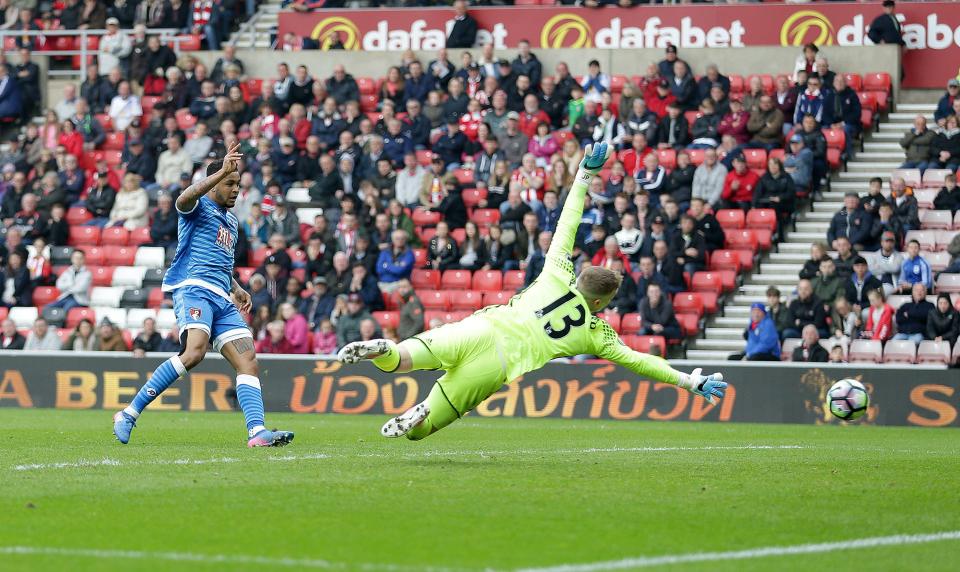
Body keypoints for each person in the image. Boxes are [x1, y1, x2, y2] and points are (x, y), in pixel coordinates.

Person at [336, 144, 725, 440]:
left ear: (579, 278)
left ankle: (380, 349)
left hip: (480, 329)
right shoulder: (594, 332)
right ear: (601, 303)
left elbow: (567, 223)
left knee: (404, 357)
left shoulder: (556, 272)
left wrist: (585, 176)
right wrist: (690, 381)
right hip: (499, 364)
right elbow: (640, 360)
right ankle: (423, 410)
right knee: (419, 432)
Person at [112, 144, 293, 448]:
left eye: (237, 184)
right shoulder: (197, 207)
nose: (235, 190)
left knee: (248, 359)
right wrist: (221, 170)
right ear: (215, 181)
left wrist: (236, 287)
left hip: (222, 296)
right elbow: (183, 198)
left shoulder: (232, 222)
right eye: (229, 183)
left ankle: (257, 431)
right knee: (194, 352)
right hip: (193, 288)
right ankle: (128, 413)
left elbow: (219, 260)